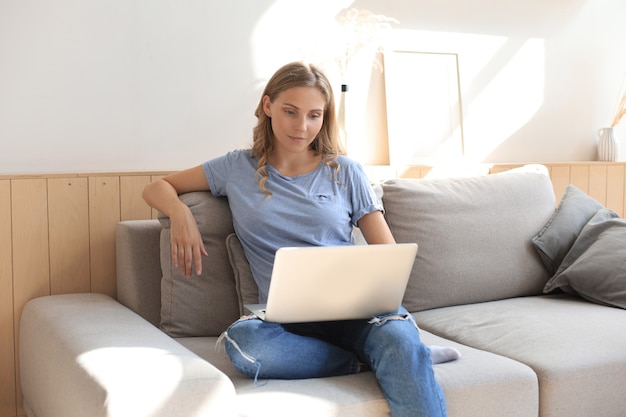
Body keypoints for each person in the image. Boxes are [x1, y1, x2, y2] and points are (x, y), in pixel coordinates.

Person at [143, 61, 459, 417]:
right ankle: (384, 359)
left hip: (359, 312)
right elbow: (158, 187)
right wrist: (181, 213)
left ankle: (399, 351)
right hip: (284, 323)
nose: (302, 126)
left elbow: (387, 252)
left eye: (314, 115)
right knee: (242, 343)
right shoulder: (236, 167)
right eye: (290, 112)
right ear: (267, 106)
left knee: (398, 337)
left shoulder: (345, 170)